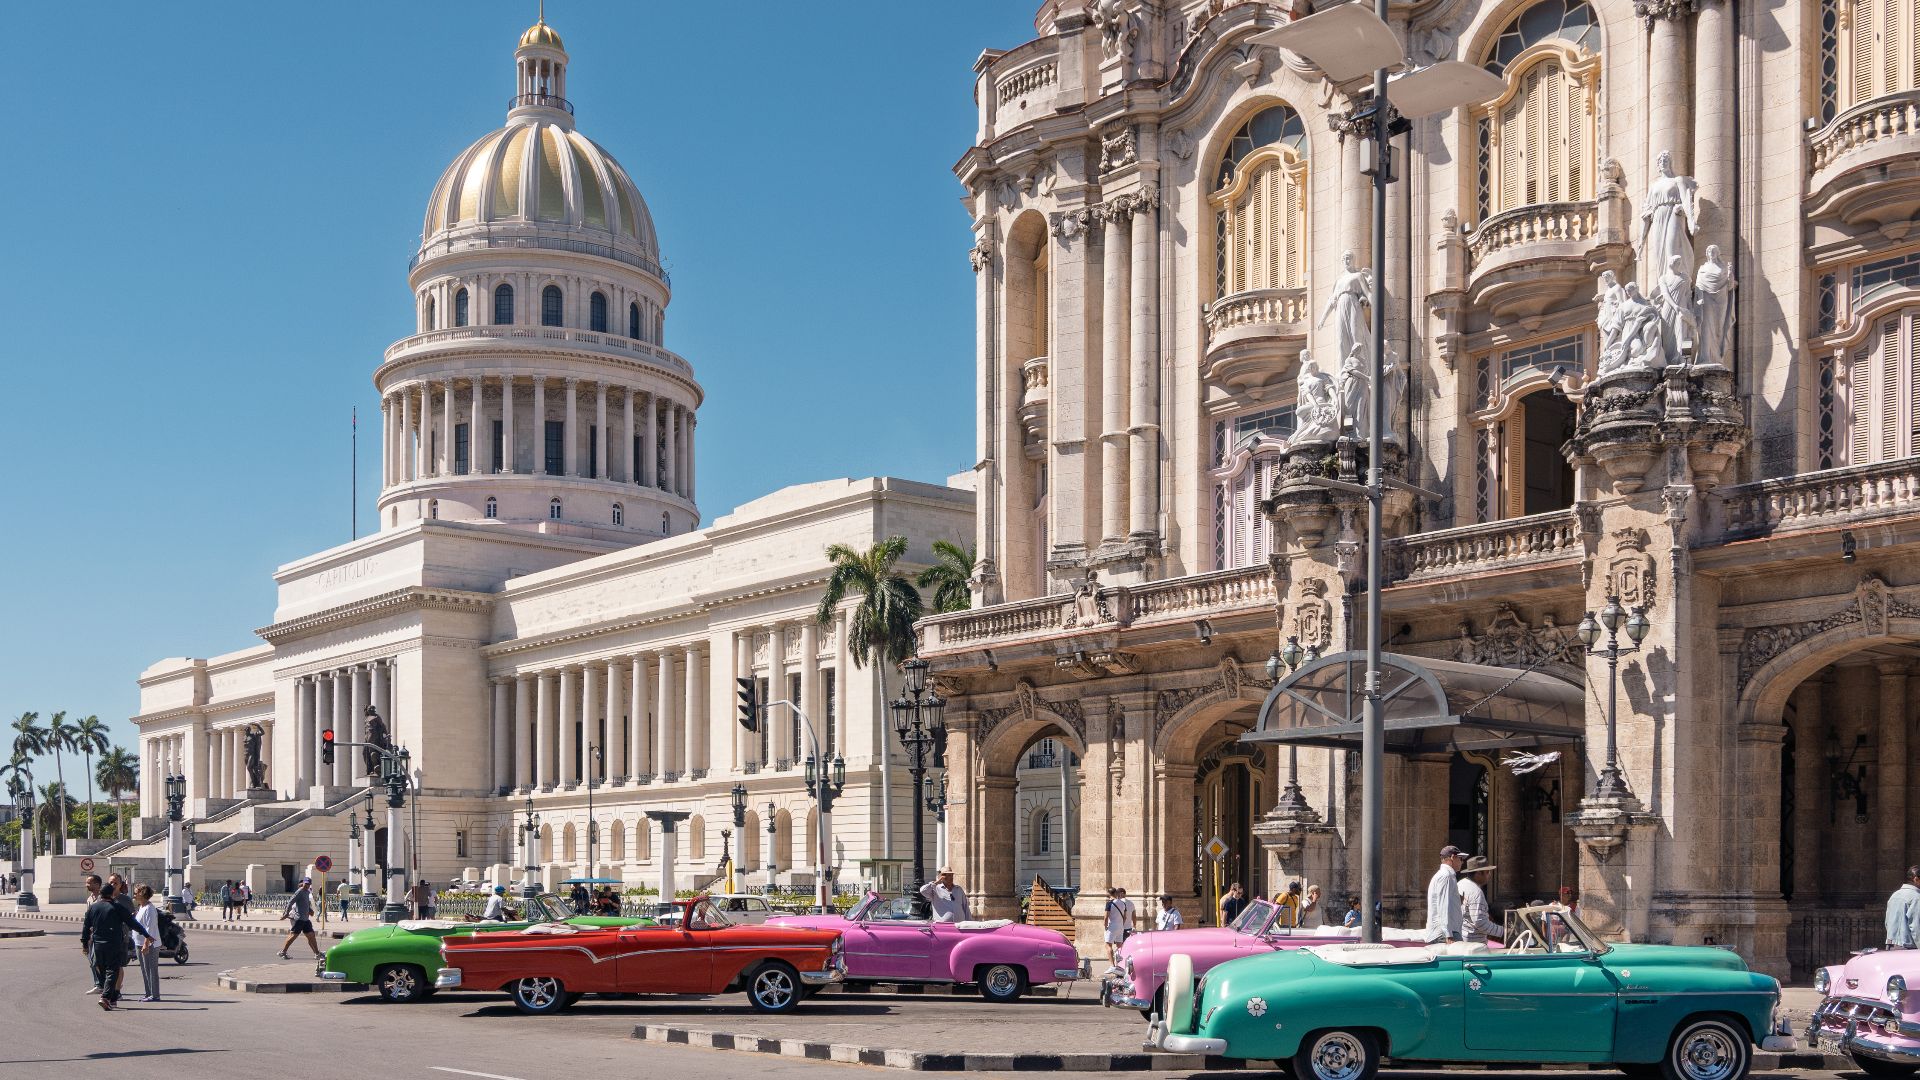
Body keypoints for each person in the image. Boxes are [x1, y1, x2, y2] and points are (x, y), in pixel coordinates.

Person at [82, 882, 153, 1011]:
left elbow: (86, 927)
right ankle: (105, 997)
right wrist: (146, 934)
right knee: (112, 971)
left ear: (101, 894)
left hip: (98, 945)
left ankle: (112, 999)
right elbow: (132, 923)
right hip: (113, 944)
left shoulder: (93, 908)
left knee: (104, 971)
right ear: (111, 894)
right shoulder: (117, 907)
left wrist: (84, 944)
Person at [1425, 845, 1468, 944]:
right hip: (1445, 933)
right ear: (1453, 857)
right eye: (1460, 859)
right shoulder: (1446, 875)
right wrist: (1448, 934)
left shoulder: (1444, 875)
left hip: (1445, 932)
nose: (1462, 862)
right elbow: (1443, 905)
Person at [1458, 856, 1502, 944]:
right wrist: (1504, 932)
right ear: (1478, 873)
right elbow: (1480, 923)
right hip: (1473, 943)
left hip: (1461, 938)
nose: (1489, 875)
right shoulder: (1475, 892)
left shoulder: (1461, 884)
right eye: (1487, 872)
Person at [278, 877, 322, 961]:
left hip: (306, 919)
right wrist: (286, 913)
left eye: (308, 884)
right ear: (303, 883)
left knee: (311, 936)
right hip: (299, 919)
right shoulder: (299, 891)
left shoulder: (308, 892)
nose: (307, 885)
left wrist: (310, 910)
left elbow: (306, 903)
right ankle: (283, 952)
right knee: (293, 936)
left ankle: (317, 953)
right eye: (306, 884)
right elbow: (290, 902)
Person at [133, 884, 163, 1002]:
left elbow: (149, 928)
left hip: (150, 944)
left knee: (151, 969)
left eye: (136, 893)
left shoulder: (149, 909)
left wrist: (146, 944)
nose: (134, 895)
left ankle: (155, 995)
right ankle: (148, 993)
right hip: (139, 943)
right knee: (145, 970)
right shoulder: (141, 907)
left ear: (143, 894)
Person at [81, 875, 105, 995]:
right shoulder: (90, 899)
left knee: (98, 961)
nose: (87, 885)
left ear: (97, 884)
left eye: (89, 883)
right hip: (91, 934)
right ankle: (98, 984)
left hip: (100, 934)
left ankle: (104, 984)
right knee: (92, 961)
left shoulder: (102, 898)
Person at [1886, 866, 1920, 949]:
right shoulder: (1917, 898)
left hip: (1891, 945)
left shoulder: (1894, 895)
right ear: (1916, 879)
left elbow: (1887, 922)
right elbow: (1916, 927)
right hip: (1908, 948)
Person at [1103, 887, 1136, 964]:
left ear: (1109, 894)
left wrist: (1105, 926)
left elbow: (1106, 917)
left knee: (1108, 945)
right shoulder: (1123, 903)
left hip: (1112, 926)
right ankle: (1120, 964)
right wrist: (1122, 924)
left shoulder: (1110, 903)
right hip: (1122, 927)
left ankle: (1113, 965)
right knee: (1120, 947)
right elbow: (1126, 917)